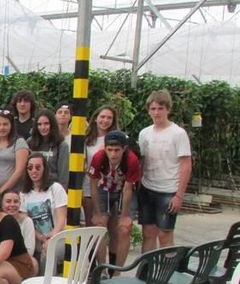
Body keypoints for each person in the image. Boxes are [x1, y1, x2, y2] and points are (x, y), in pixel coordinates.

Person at [137, 89, 191, 252]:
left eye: (160, 108)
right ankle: (146, 271)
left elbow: (186, 165)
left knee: (165, 235)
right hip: (147, 188)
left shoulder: (178, 133)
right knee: (148, 233)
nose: (157, 112)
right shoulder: (144, 133)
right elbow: (142, 161)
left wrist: (179, 195)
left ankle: (166, 273)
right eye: (153, 109)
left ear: (168, 109)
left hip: (168, 190)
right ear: (148, 111)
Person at [88, 130, 141, 269]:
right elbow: (92, 185)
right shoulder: (98, 157)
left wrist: (124, 216)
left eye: (117, 150)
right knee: (100, 226)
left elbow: (128, 189)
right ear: (105, 148)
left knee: (124, 229)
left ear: (124, 149)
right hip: (103, 189)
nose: (113, 154)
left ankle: (117, 271)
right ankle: (102, 270)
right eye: (110, 150)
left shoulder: (131, 160)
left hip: (123, 190)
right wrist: (98, 213)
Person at [20, 153, 68, 281]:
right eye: (30, 168)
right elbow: (26, 221)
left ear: (44, 169)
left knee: (49, 247)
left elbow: (61, 218)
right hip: (36, 238)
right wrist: (39, 236)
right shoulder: (24, 194)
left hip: (59, 237)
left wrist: (52, 236)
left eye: (37, 167)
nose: (33, 171)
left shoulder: (55, 189)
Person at [82, 105, 119, 226]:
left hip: (112, 188)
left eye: (109, 118)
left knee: (114, 229)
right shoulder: (87, 139)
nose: (105, 120)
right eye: (102, 116)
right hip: (90, 188)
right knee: (92, 225)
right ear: (95, 119)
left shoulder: (117, 139)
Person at [28, 109, 69, 188]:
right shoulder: (30, 142)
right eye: (39, 124)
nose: (43, 127)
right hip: (33, 188)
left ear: (52, 125)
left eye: (46, 124)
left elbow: (63, 175)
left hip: (53, 188)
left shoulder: (62, 145)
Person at [1, 191, 36, 261]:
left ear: (20, 204)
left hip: (20, 261)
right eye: (8, 201)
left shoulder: (27, 222)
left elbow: (29, 251)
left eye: (16, 201)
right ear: (1, 204)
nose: (12, 204)